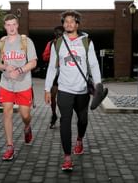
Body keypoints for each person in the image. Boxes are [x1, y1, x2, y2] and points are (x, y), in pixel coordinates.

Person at [44, 10, 101, 171]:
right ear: (63, 24)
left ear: (77, 24)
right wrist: (48, 89)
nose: (69, 24)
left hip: (82, 89)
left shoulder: (87, 42)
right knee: (65, 122)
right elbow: (51, 68)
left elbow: (94, 65)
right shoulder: (58, 43)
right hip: (64, 89)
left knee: (82, 120)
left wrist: (98, 85)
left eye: (72, 21)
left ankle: (80, 139)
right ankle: (67, 157)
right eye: (66, 21)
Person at [0, 14, 37, 161]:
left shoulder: (26, 41)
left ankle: (27, 127)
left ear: (17, 25)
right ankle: (10, 146)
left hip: (23, 84)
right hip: (6, 84)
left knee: (25, 115)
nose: (11, 28)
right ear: (5, 26)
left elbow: (33, 62)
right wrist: (5, 67)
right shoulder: (1, 43)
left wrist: (19, 70)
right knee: (7, 113)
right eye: (8, 25)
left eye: (13, 24)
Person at [42, 26, 64, 129]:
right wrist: (53, 55)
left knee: (63, 97)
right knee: (53, 97)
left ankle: (64, 116)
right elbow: (44, 57)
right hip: (55, 73)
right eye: (57, 34)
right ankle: (54, 115)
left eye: (61, 34)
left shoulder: (68, 43)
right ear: (55, 34)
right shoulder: (51, 44)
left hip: (66, 73)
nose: (59, 36)